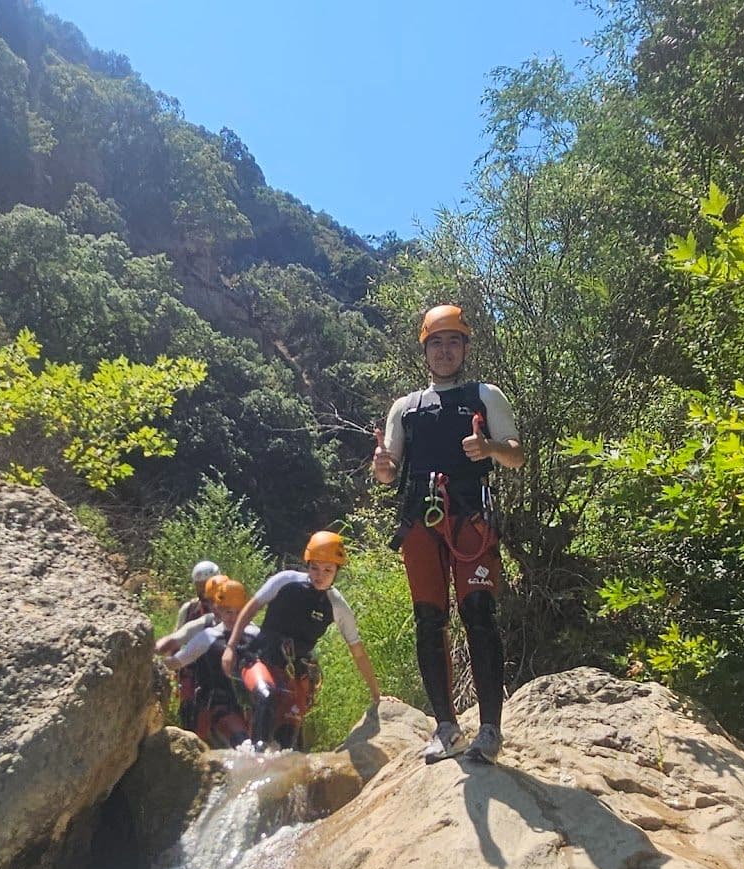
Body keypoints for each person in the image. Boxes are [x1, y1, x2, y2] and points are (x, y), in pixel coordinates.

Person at [371, 304, 524, 763]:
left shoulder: (485, 396)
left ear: (465, 347)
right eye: (436, 343)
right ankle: (446, 727)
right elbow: (388, 470)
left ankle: (490, 730)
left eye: (452, 341)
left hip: (470, 519)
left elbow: (515, 454)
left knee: (478, 614)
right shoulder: (406, 407)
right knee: (428, 620)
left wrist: (489, 447)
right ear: (424, 350)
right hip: (422, 521)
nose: (444, 350)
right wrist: (381, 466)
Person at [224, 532, 381, 750]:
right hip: (260, 658)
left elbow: (358, 651)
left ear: (337, 572)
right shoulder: (285, 581)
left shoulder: (336, 605)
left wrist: (377, 694)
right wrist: (231, 647)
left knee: (287, 738)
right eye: (315, 567)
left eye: (328, 570)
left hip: (296, 671)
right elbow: (251, 608)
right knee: (266, 697)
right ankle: (256, 754)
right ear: (307, 564)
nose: (320, 575)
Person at [156, 575, 257, 748]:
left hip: (248, 702)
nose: (231, 616)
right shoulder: (206, 632)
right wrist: (153, 655)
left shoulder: (254, 634)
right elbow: (176, 646)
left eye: (237, 611)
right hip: (214, 698)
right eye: (227, 610)